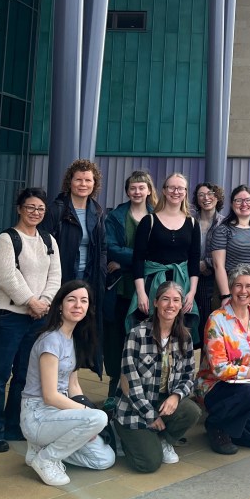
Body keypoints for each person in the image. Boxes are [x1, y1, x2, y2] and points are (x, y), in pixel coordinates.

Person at [0, 188, 61, 452]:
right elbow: (7, 277)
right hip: (8, 317)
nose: (35, 213)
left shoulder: (48, 240)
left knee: (24, 375)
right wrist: (31, 302)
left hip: (38, 318)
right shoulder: (6, 239)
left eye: (40, 209)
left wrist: (45, 302)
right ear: (19, 208)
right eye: (30, 207)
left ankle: (14, 425)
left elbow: (55, 276)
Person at [20, 281, 115, 486]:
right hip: (38, 415)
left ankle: (40, 450)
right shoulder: (51, 340)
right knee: (98, 417)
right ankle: (47, 460)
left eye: (83, 301)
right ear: (60, 306)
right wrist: (87, 416)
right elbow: (50, 396)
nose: (78, 305)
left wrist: (85, 419)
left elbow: (73, 386)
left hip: (59, 415)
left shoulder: (73, 339)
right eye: (71, 300)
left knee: (104, 459)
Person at [196, 264, 250, 455]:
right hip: (216, 386)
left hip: (248, 387)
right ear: (230, 287)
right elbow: (220, 369)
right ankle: (215, 424)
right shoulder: (217, 319)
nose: (243, 291)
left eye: (249, 286)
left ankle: (226, 427)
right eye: (238, 285)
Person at [113, 280, 201, 472]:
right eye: (165, 299)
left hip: (162, 401)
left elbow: (188, 375)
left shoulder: (184, 337)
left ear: (181, 304)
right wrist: (150, 415)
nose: (171, 305)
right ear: (155, 302)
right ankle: (119, 435)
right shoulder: (137, 334)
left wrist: (176, 396)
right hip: (134, 406)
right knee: (148, 464)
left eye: (176, 300)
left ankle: (162, 440)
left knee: (191, 411)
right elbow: (129, 382)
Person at [43, 159, 107, 369]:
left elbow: (102, 247)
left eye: (88, 180)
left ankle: (71, 378)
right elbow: (44, 246)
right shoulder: (57, 210)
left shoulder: (97, 212)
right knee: (57, 328)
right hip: (61, 279)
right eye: (78, 179)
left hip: (87, 282)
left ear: (94, 183)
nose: (83, 184)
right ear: (69, 181)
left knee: (80, 330)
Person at [128, 172, 201, 343]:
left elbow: (194, 259)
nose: (176, 192)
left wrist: (192, 292)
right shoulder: (149, 221)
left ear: (185, 192)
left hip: (182, 285)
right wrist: (141, 293)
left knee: (179, 333)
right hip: (152, 283)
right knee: (149, 332)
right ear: (164, 190)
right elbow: (138, 258)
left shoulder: (192, 223)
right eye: (172, 187)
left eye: (180, 188)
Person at [103, 169, 157, 401]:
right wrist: (140, 258)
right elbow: (110, 247)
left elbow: (158, 251)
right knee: (116, 338)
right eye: (133, 187)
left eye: (141, 187)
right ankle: (115, 388)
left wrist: (126, 262)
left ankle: (144, 389)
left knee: (144, 338)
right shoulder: (115, 217)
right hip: (120, 289)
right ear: (127, 191)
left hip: (148, 287)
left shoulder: (158, 215)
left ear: (148, 190)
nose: (137, 191)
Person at [209, 184, 250, 313]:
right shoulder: (223, 230)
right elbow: (218, 265)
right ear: (232, 204)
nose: (244, 204)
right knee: (231, 331)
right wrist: (225, 295)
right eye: (239, 200)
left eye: (248, 200)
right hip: (233, 287)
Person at [192, 181, 225, 331]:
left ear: (217, 197)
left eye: (210, 194)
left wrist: (207, 263)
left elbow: (229, 251)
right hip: (190, 273)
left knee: (210, 317)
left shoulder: (224, 223)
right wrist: (195, 264)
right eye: (201, 195)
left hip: (214, 276)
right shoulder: (189, 220)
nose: (206, 198)